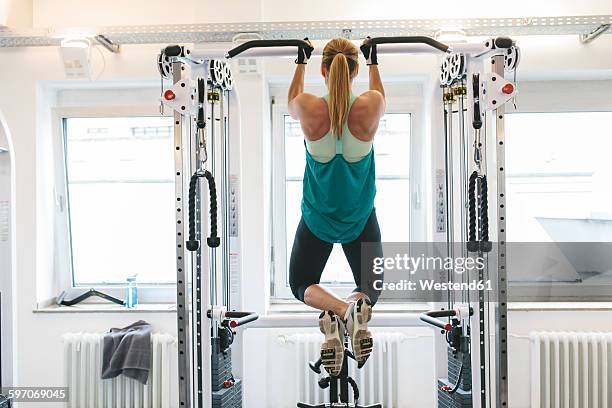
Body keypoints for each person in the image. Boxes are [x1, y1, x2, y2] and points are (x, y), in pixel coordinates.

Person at [287, 37, 385, 376]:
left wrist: (300, 62)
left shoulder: (309, 107)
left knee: (300, 282)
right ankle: (353, 311)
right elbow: (379, 96)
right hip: (359, 218)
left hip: (317, 219)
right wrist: (375, 62)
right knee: (373, 287)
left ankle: (341, 312)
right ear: (355, 69)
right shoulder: (370, 107)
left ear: (323, 70)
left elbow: (291, 101)